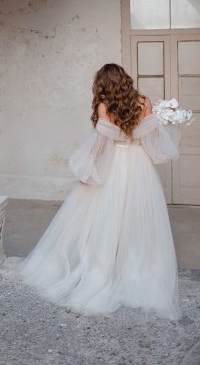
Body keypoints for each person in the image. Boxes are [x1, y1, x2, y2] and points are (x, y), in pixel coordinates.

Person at [20, 63, 181, 320]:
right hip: (140, 165)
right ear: (125, 80)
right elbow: (152, 140)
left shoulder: (104, 106)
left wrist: (87, 170)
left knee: (106, 217)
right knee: (138, 219)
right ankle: (137, 270)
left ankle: (104, 269)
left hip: (116, 164)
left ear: (103, 84)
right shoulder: (143, 102)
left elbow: (100, 145)